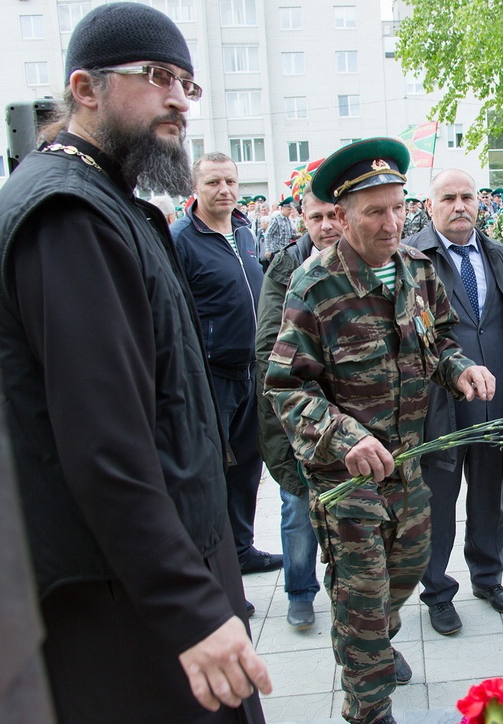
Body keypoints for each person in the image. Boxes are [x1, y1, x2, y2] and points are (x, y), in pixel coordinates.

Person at [0, 3, 271, 720]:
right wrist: (189, 608)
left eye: (188, 84)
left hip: (144, 586)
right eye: (158, 77)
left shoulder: (101, 200)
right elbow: (105, 444)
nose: (179, 98)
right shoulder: (69, 217)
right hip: (125, 609)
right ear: (86, 89)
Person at [264, 138, 495, 724]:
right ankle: (367, 703)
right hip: (348, 477)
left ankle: (367, 641)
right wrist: (344, 437)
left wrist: (461, 368)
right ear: (341, 217)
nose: (393, 223)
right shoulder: (315, 286)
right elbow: (287, 385)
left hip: (409, 462)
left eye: (399, 207)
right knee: (363, 595)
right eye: (375, 211)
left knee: (408, 567)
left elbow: (438, 340)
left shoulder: (417, 271)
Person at [406, 169, 503, 635]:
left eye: (467, 197)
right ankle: (437, 591)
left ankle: (488, 576)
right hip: (440, 405)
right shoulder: (413, 258)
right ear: (430, 206)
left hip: (495, 402)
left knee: (489, 496)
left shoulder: (500, 256)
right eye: (449, 198)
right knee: (438, 502)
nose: (460, 206)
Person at [172, 153, 282, 583]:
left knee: (246, 468)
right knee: (211, 473)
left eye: (231, 182)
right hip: (211, 376)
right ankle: (212, 571)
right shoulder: (182, 237)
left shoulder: (243, 230)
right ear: (195, 188)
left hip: (252, 370)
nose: (224, 190)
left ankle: (240, 550)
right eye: (214, 182)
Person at [255, 188, 342, 629]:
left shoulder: (363, 262)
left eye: (333, 215)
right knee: (297, 503)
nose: (326, 225)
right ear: (302, 220)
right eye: (316, 217)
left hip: (351, 411)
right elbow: (271, 346)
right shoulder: (285, 267)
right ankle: (300, 591)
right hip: (301, 409)